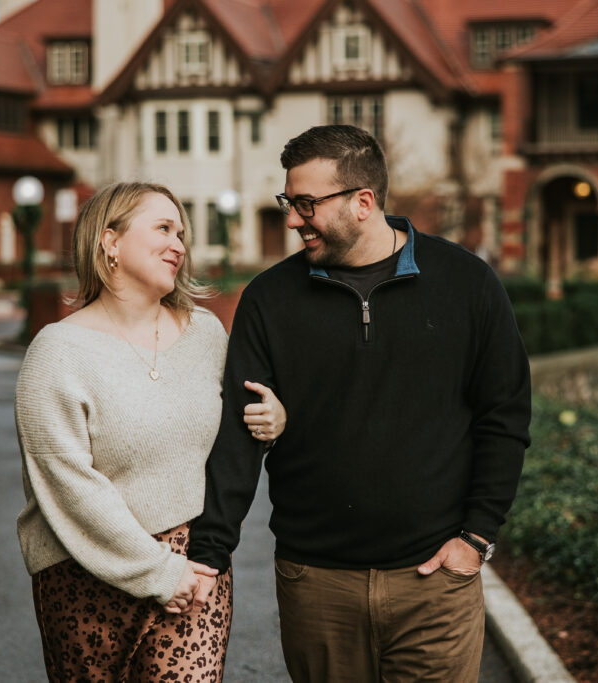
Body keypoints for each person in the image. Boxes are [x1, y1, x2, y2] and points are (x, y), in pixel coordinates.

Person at [188, 125, 532, 682]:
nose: (294, 219)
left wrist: (476, 537)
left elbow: (505, 416)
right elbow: (238, 432)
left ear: (363, 203)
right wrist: (210, 552)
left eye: (306, 204)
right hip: (315, 583)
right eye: (288, 202)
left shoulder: (466, 283)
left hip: (434, 585)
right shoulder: (269, 300)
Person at [14, 181, 286, 682]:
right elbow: (65, 480)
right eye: (163, 228)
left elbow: (233, 434)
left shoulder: (205, 334)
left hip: (194, 572)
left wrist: (274, 419)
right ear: (110, 242)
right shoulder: (56, 351)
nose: (179, 244)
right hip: (84, 574)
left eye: (182, 233)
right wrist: (158, 571)